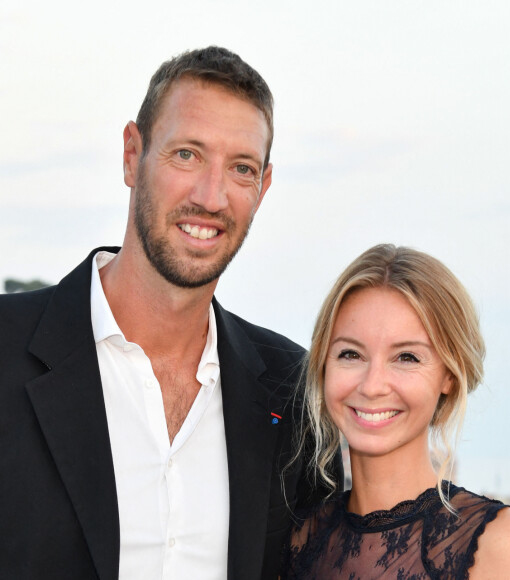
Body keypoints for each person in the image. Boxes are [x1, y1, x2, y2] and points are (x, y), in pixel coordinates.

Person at [0, 46, 340, 580]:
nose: (211, 196)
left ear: (264, 187)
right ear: (133, 155)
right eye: (187, 154)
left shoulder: (294, 393)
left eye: (241, 168)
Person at [283, 244, 510, 579]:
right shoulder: (299, 543)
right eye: (351, 354)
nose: (372, 385)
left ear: (450, 376)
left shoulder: (499, 544)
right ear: (324, 365)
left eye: (406, 357)